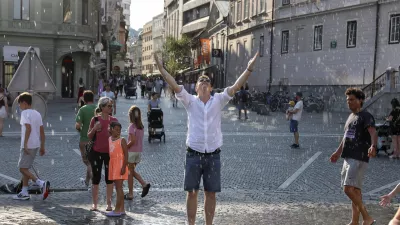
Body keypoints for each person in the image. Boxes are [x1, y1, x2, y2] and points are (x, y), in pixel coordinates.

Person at [154, 52, 259, 225]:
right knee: (192, 192)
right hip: (193, 154)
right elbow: (173, 84)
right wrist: (161, 68)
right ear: (195, 87)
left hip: (213, 155)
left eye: (207, 82)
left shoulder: (218, 100)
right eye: (201, 81)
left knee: (210, 193)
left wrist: (249, 68)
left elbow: (236, 86)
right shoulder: (190, 101)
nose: (204, 83)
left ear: (211, 88)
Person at [330, 88, 377, 225]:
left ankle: (367, 217)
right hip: (348, 157)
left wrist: (373, 146)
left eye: (352, 100)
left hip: (359, 157)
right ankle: (355, 221)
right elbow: (346, 137)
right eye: (347, 100)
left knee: (348, 188)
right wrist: (338, 152)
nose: (349, 103)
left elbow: (373, 132)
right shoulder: (350, 117)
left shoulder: (366, 116)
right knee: (355, 191)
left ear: (360, 100)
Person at [13, 92, 50, 200]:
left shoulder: (24, 114)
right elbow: (42, 132)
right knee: (26, 167)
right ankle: (24, 192)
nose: (19, 107)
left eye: (19, 104)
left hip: (28, 145)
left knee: (22, 168)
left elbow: (28, 129)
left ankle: (41, 183)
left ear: (24, 103)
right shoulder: (37, 114)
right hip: (35, 144)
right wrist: (42, 146)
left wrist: (25, 144)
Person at [87, 97, 118, 211]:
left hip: (110, 153)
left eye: (111, 106)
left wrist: (113, 133)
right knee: (96, 178)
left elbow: (118, 137)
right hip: (96, 152)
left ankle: (108, 203)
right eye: (109, 106)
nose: (111, 108)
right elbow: (89, 136)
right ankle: (95, 204)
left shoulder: (114, 120)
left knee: (109, 179)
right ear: (102, 107)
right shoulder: (95, 120)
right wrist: (95, 128)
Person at [124, 106, 151, 200]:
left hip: (131, 152)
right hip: (138, 152)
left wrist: (125, 147)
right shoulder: (141, 126)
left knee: (129, 173)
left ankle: (131, 193)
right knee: (131, 171)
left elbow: (133, 140)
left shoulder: (132, 126)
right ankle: (144, 184)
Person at [106, 122, 128, 217]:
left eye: (119, 130)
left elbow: (126, 155)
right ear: (111, 129)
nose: (118, 132)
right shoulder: (109, 139)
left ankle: (117, 210)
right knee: (118, 188)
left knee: (119, 188)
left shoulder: (122, 140)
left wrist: (123, 166)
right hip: (113, 164)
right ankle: (122, 209)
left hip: (120, 165)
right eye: (116, 129)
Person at [75, 91, 96, 188]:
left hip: (85, 138)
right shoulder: (98, 109)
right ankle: (87, 181)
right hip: (96, 139)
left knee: (87, 162)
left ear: (84, 98)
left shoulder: (82, 109)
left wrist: (80, 130)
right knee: (92, 161)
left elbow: (78, 125)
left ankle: (94, 182)